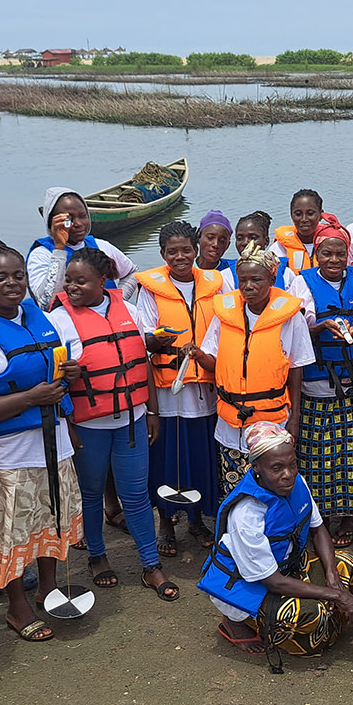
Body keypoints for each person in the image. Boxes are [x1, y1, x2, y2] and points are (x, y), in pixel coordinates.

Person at [0, 241, 83, 643]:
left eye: (18, 276)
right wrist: (30, 398)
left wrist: (71, 374)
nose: (12, 284)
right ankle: (17, 606)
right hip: (8, 458)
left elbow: (61, 371)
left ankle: (48, 588)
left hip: (55, 445)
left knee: (52, 522)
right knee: (12, 533)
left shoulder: (46, 320)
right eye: (1, 278)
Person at [54, 247, 176, 600]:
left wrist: (152, 412)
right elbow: (56, 379)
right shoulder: (61, 320)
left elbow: (142, 365)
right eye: (69, 281)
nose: (72, 287)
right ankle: (97, 556)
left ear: (103, 281)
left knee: (136, 495)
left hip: (132, 421)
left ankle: (151, 565)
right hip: (90, 425)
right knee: (91, 495)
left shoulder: (131, 311)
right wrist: (70, 424)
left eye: (81, 281)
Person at [197, 422, 353, 667]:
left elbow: (318, 528)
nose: (287, 474)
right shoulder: (247, 514)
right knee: (312, 618)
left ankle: (331, 612)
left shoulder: (296, 483)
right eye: (276, 468)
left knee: (346, 565)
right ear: (256, 468)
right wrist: (336, 594)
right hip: (254, 583)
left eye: (292, 464)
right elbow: (273, 581)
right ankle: (235, 621)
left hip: (288, 567)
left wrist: (331, 576)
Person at [193, 242, 315, 495]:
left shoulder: (290, 317)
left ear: (272, 278)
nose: (248, 287)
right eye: (243, 280)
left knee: (275, 484)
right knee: (235, 485)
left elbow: (296, 370)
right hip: (230, 420)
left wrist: (294, 418)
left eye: (256, 279)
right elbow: (214, 361)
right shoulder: (224, 314)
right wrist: (196, 354)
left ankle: (278, 532)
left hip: (271, 419)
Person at [134, 221, 224, 558]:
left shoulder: (215, 285)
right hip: (168, 390)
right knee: (166, 460)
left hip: (204, 391)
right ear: (162, 255)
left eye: (186, 249)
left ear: (197, 249)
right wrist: (159, 341)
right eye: (172, 252)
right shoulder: (150, 290)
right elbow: (144, 338)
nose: (180, 256)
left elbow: (221, 327)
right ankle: (166, 522)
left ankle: (196, 519)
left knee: (200, 458)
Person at [289, 217, 353, 548]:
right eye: (327, 254)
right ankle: (317, 518)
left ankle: (349, 517)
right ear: (317, 254)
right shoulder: (302, 282)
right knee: (314, 456)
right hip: (315, 386)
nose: (334, 260)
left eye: (340, 254)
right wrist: (323, 327)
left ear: (348, 254)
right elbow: (298, 329)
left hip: (352, 385)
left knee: (350, 454)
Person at [25, 187, 137, 309]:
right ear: (51, 222)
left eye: (82, 216)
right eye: (69, 219)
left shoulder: (101, 246)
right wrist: (59, 249)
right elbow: (46, 302)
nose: (78, 223)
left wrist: (116, 302)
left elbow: (131, 272)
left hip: (108, 320)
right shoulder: (42, 254)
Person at [222, 210, 294, 292]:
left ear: (266, 241)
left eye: (253, 237)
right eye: (239, 238)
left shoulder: (286, 274)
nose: (245, 243)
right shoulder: (226, 277)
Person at [272, 189, 327, 274]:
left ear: (321, 215)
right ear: (291, 215)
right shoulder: (279, 247)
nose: (304, 219)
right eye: (298, 214)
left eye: (310, 214)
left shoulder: (331, 242)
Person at [195, 210, 236, 276]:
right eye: (210, 238)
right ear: (198, 238)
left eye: (222, 241)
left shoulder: (234, 269)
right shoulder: (184, 268)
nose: (216, 244)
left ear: (227, 245)